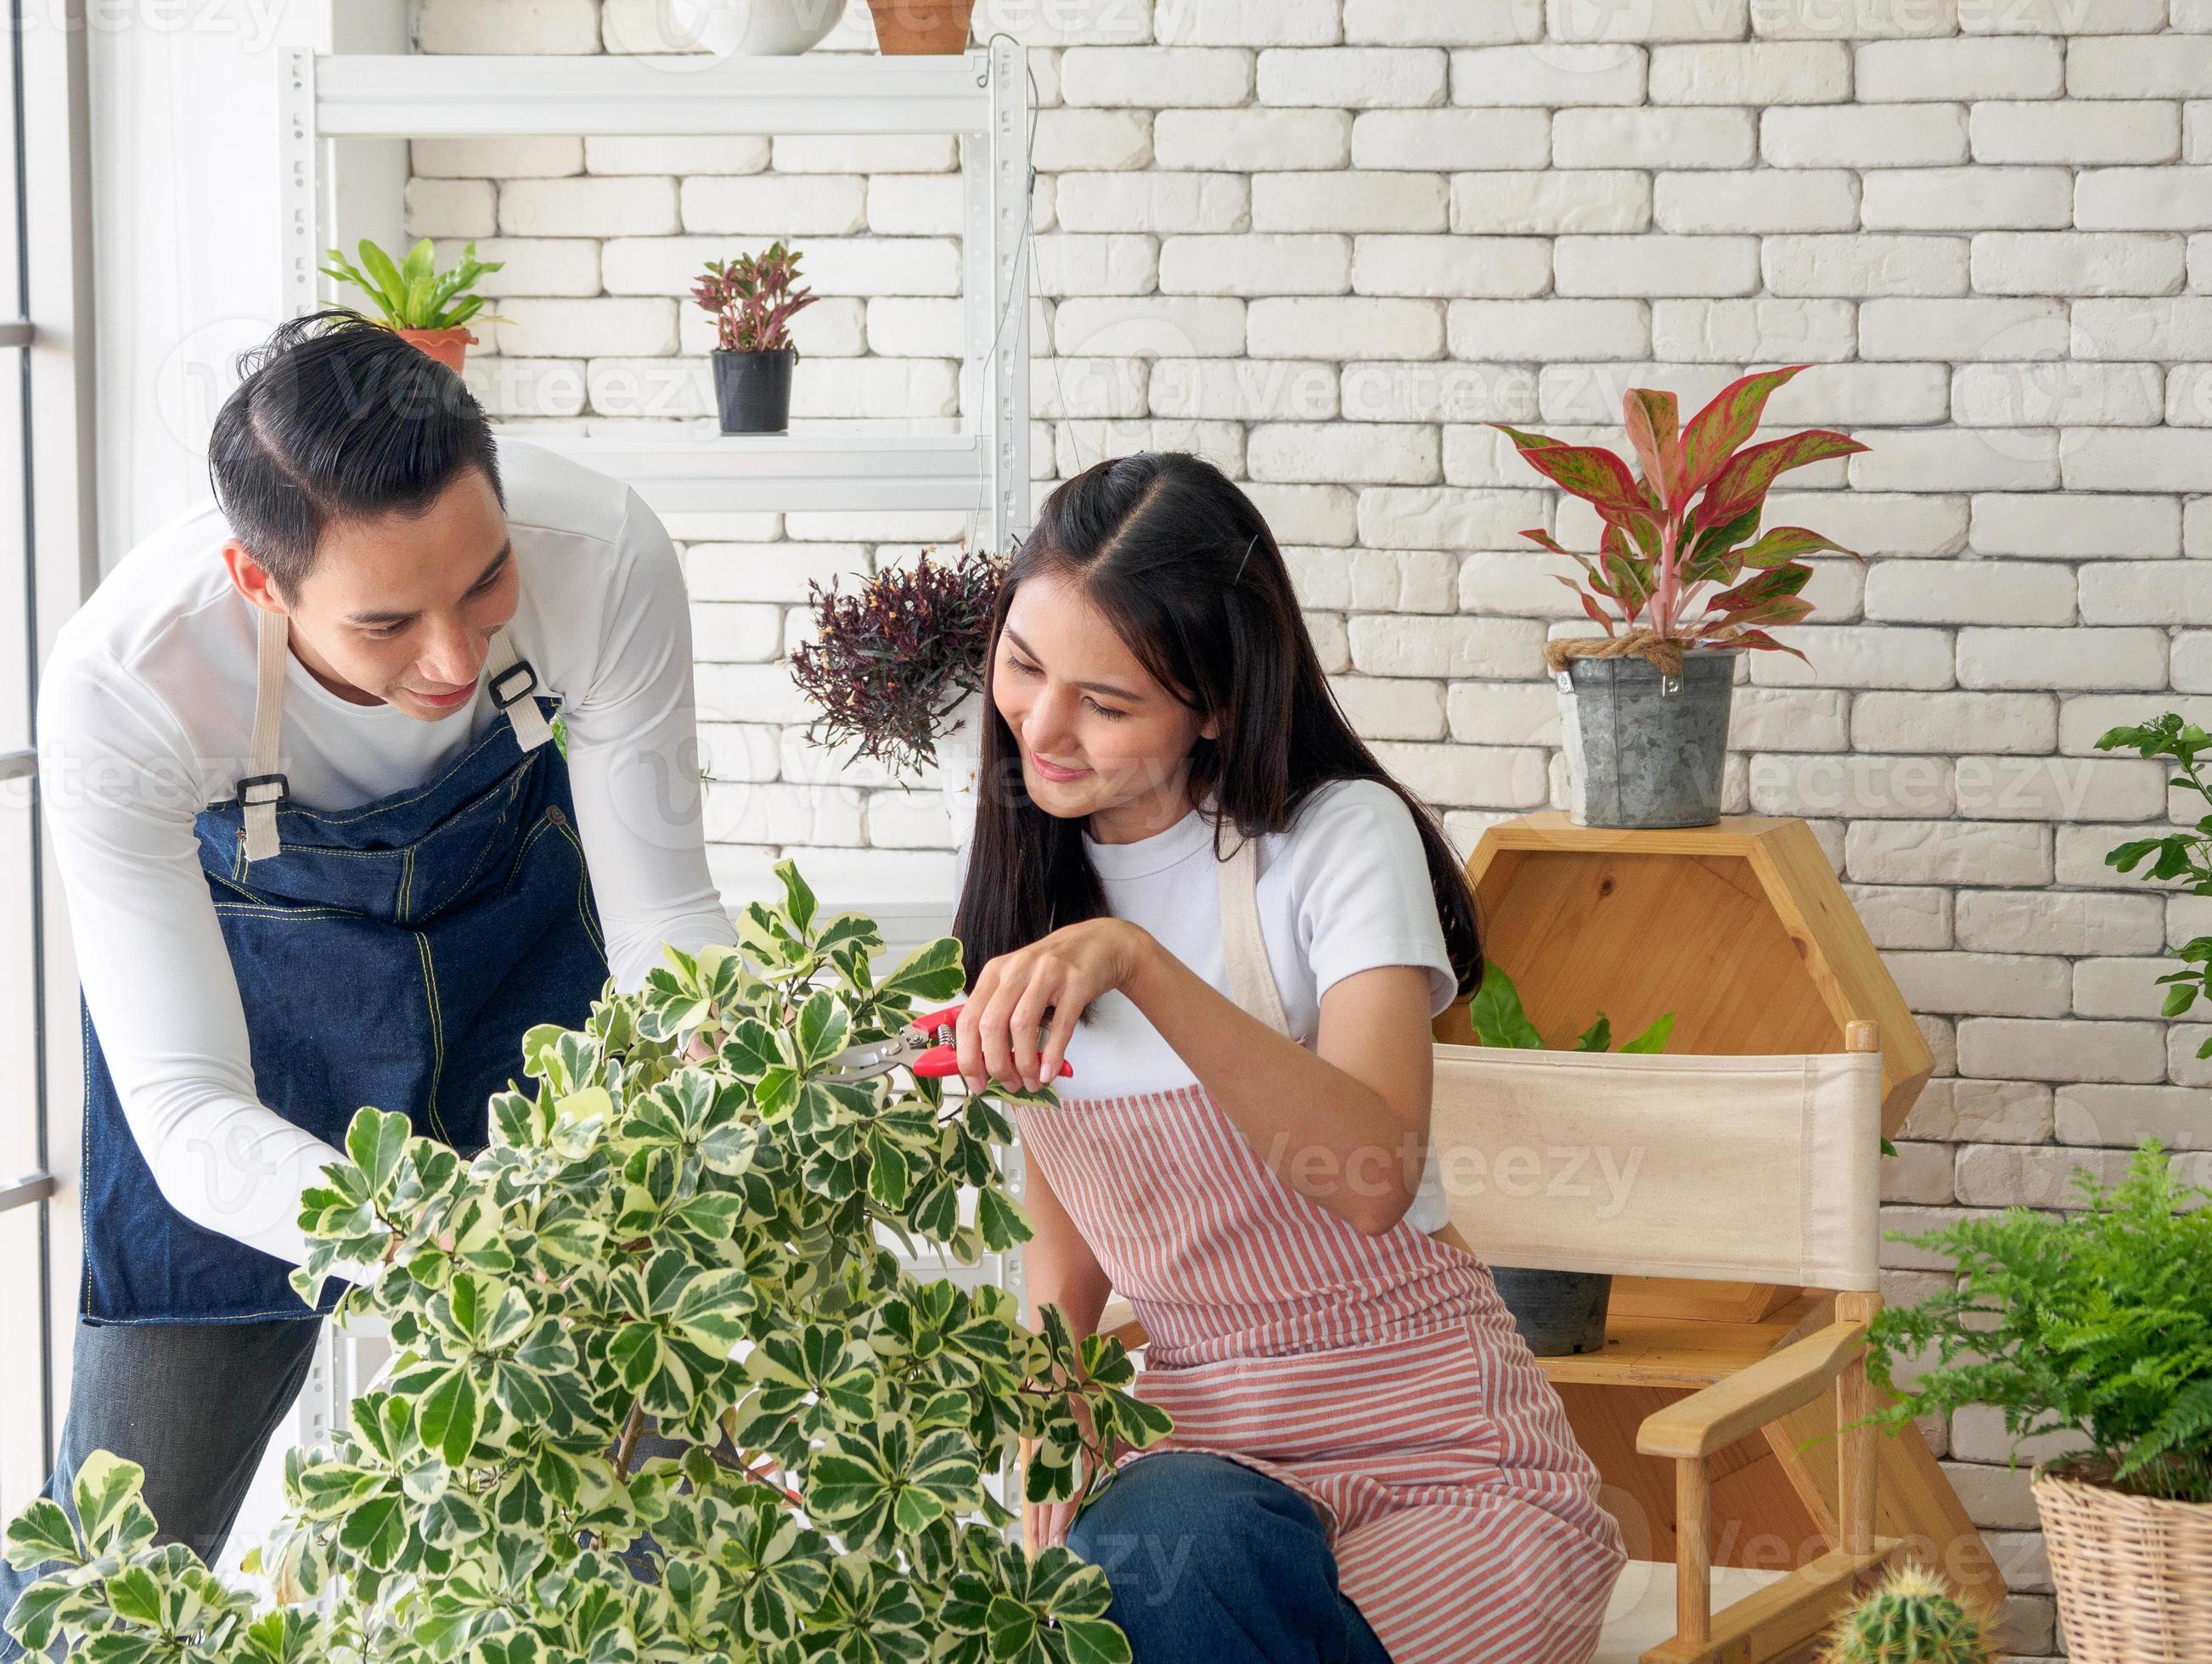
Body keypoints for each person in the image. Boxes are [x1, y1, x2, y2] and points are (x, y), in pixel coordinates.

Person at [1, 311, 737, 1648]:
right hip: (245, 1067)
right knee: (99, 1589)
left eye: (485, 583)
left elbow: (668, 918)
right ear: (255, 579)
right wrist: (430, 1237)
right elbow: (178, 1103)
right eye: (388, 622)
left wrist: (729, 1085)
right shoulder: (126, 683)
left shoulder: (606, 552)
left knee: (662, 1567)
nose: (453, 661)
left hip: (528, 1005)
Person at [950, 453, 1628, 1664]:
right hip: (1204, 1454)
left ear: (1212, 704)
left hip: (1440, 1464)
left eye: (1105, 705)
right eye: (1022, 665)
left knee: (1195, 1606)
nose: (1042, 730)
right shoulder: (1023, 890)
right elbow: (1068, 1241)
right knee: (1171, 1548)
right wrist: (1050, 1442)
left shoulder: (1330, 842)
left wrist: (1139, 966)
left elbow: (1369, 1176)